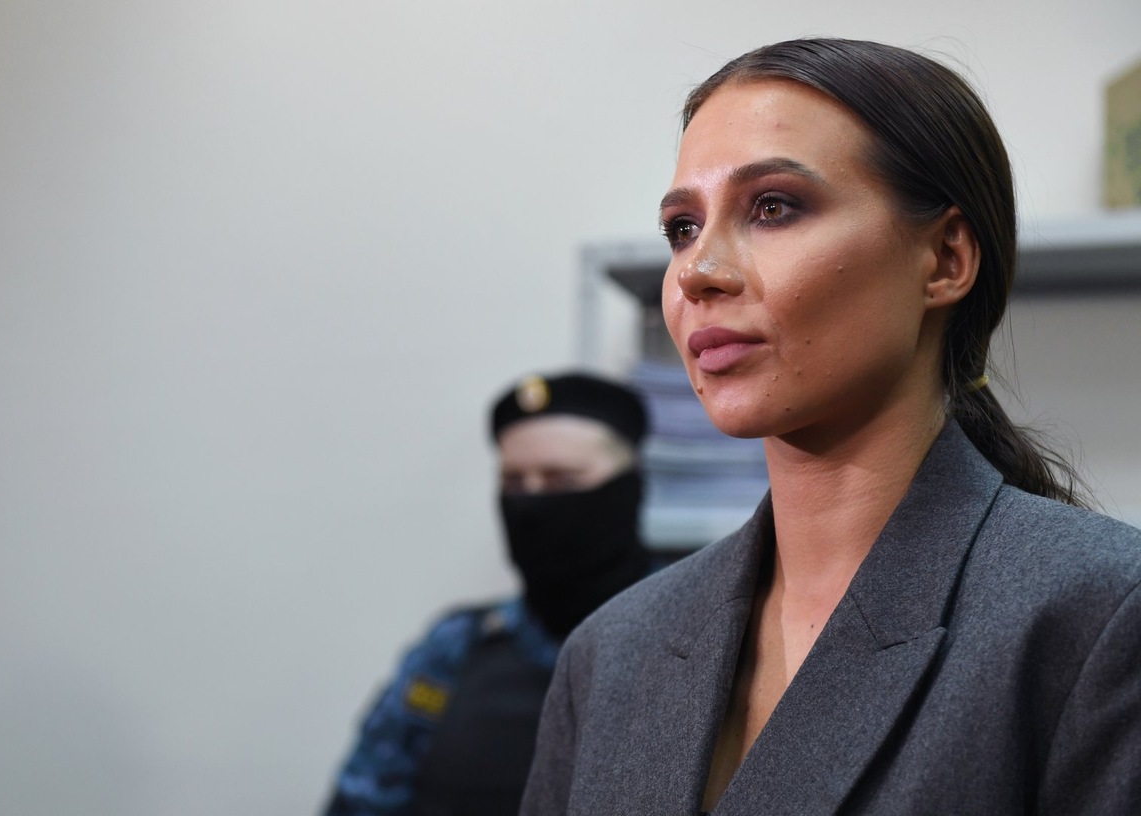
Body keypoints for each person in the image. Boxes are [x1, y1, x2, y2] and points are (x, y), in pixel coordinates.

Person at [520, 38, 1141, 815]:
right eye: (682, 227)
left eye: (772, 207)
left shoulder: (1099, 617)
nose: (697, 272)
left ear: (945, 258)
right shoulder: (609, 655)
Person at [323, 371, 677, 816]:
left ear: (631, 487)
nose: (532, 504)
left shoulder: (699, 637)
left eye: (561, 481)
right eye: (514, 484)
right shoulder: (454, 649)